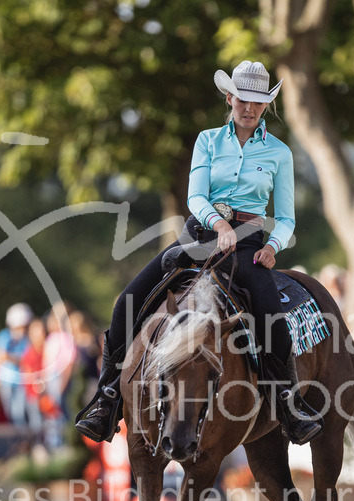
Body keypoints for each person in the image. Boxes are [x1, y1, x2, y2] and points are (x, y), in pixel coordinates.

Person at [75, 60, 322, 445]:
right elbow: (195, 196)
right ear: (230, 97)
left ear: (266, 105)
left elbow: (286, 216)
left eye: (258, 102)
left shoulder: (280, 153)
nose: (249, 109)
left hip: (250, 244)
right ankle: (106, 399)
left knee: (272, 318)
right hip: (199, 236)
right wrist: (219, 225)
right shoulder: (208, 140)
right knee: (126, 302)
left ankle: (288, 405)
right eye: (243, 100)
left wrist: (274, 246)